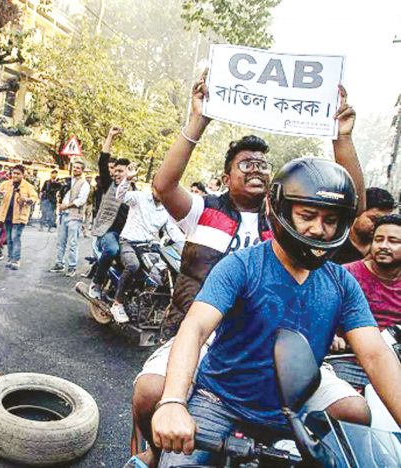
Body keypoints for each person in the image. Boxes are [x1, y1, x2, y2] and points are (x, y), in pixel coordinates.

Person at [132, 71, 366, 467]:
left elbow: (351, 210)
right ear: (226, 176)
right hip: (205, 333)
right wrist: (198, 120)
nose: (257, 168)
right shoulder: (202, 211)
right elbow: (164, 184)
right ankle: (151, 451)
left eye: (263, 164)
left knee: (356, 414)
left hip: (278, 343)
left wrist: (341, 138)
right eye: (246, 164)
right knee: (151, 391)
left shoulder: (289, 224)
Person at [151, 158, 401, 468]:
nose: (318, 229)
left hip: (291, 408)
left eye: (330, 220)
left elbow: (376, 355)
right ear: (280, 210)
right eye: (307, 216)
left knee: (356, 414)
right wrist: (173, 402)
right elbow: (195, 328)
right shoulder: (241, 266)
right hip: (219, 402)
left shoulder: (342, 284)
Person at [329, 214, 401, 390]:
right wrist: (332, 336)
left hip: (394, 366)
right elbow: (317, 314)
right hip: (347, 362)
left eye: (393, 241)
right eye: (378, 239)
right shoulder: (345, 275)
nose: (383, 246)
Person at [109, 165, 171, 324]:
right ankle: (118, 303)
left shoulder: (168, 209)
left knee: (164, 274)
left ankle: (151, 307)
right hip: (129, 242)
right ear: (153, 186)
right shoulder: (139, 197)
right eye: (159, 187)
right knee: (133, 266)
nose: (161, 192)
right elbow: (120, 196)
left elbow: (173, 231)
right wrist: (127, 179)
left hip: (148, 247)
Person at [88, 127, 132, 300]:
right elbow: (103, 160)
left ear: (130, 172)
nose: (116, 174)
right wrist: (110, 137)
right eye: (116, 171)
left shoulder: (134, 192)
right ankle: (96, 282)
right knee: (112, 250)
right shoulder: (109, 185)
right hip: (108, 231)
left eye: (121, 171)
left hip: (127, 235)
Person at [332, 187, 396, 264]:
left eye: (383, 222)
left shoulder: (389, 248)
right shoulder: (335, 242)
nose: (377, 225)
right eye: (373, 219)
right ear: (357, 213)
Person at [50, 161, 90, 277]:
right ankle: (59, 263)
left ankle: (72, 266)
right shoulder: (67, 181)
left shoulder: (84, 184)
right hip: (64, 214)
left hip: (75, 216)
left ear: (82, 170)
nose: (76, 170)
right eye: (75, 168)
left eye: (78, 168)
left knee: (73, 243)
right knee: (61, 241)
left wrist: (66, 206)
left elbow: (81, 200)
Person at [0, 165, 38, 270]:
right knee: (9, 239)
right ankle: (10, 258)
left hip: (19, 217)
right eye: (14, 173)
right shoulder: (6, 184)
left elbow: (34, 198)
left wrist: (27, 200)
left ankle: (16, 260)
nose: (15, 175)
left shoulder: (28, 186)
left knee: (15, 237)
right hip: (7, 215)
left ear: (23, 175)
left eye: (18, 174)